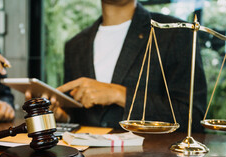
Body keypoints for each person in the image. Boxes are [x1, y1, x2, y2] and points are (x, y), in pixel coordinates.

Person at [34, 0, 207, 132]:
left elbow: (193, 117)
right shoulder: (75, 45)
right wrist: (61, 116)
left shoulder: (175, 33)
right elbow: (79, 118)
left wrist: (119, 94)